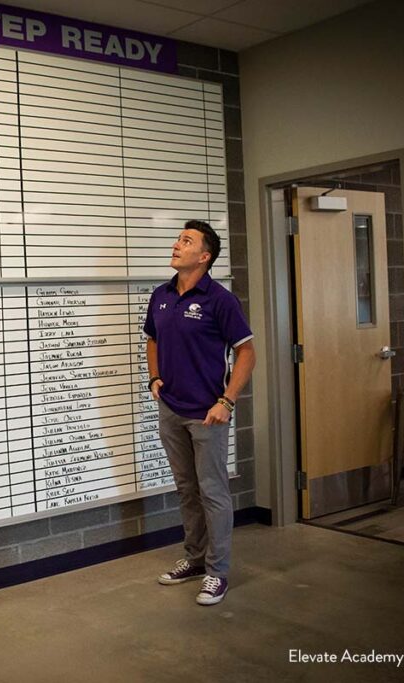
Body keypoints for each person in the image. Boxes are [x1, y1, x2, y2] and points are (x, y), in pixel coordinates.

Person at [143, 220, 255, 606]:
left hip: (207, 414)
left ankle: (218, 572)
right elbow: (152, 340)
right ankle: (194, 559)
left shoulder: (220, 300)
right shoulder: (161, 295)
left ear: (204, 256)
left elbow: (246, 352)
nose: (176, 244)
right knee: (187, 490)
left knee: (213, 492)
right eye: (178, 238)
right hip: (171, 409)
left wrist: (226, 401)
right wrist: (154, 379)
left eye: (186, 241)